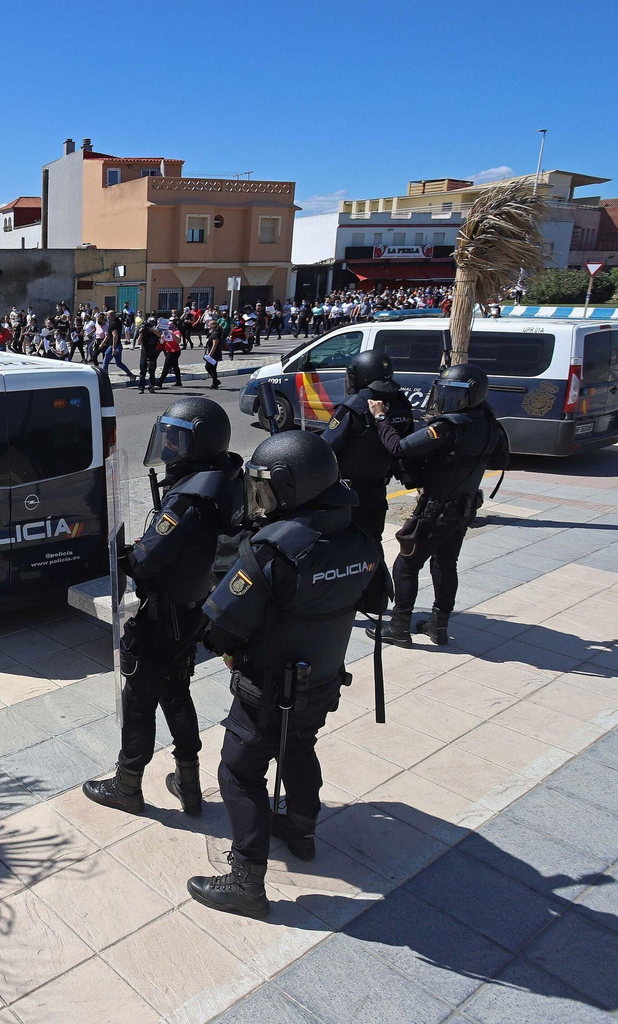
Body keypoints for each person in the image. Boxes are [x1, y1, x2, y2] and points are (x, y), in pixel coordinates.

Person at [187, 432, 385, 918]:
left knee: (239, 769)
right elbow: (379, 601)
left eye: (269, 487)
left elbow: (216, 629)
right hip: (322, 680)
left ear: (293, 489)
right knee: (299, 746)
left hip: (267, 685)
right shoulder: (360, 535)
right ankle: (301, 829)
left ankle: (246, 881)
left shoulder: (273, 549)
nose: (261, 497)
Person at [84, 397, 243, 817]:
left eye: (177, 439)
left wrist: (122, 556)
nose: (168, 446)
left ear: (199, 443)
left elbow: (147, 560)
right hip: (194, 609)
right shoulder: (224, 477)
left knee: (139, 700)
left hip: (164, 614)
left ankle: (126, 784)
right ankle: (188, 783)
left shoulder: (188, 497)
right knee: (177, 692)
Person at [368, 364, 508, 647]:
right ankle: (438, 625)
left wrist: (381, 417)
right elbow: (500, 460)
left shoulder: (448, 427)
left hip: (436, 510)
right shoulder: (489, 421)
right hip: (463, 509)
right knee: (446, 564)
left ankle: (399, 627)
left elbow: (399, 448)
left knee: (406, 565)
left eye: (454, 394)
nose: (447, 400)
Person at [321, 350, 414, 542]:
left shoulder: (353, 407)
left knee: (345, 542)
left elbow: (326, 447)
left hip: (348, 492)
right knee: (373, 540)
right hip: (378, 488)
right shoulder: (401, 404)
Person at [135, 318, 161, 393]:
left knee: (152, 372)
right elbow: (139, 342)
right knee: (142, 373)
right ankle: (141, 388)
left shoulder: (155, 332)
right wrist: (140, 333)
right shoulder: (144, 333)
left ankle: (151, 387)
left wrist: (152, 330)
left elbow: (159, 335)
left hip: (152, 356)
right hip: (144, 356)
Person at [203, 318, 225, 389]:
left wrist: (210, 354)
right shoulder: (212, 332)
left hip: (214, 353)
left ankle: (215, 383)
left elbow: (214, 345)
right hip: (211, 352)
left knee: (211, 368)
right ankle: (215, 381)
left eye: (209, 324)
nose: (208, 325)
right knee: (209, 368)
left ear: (213, 326)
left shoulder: (216, 334)